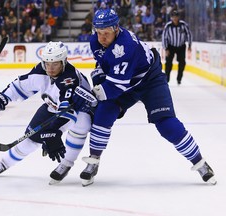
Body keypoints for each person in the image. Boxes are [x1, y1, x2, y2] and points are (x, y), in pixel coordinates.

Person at [79, 8, 216, 187]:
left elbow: (115, 87)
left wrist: (92, 94)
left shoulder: (125, 46)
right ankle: (94, 161)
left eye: (106, 33)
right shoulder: (96, 41)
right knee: (103, 114)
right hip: (127, 81)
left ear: (116, 29)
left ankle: (200, 163)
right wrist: (98, 77)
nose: (101, 38)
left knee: (166, 124)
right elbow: (104, 64)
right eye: (98, 32)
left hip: (150, 81)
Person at [0, 41, 97, 184]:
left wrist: (53, 132)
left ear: (64, 62)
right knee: (31, 138)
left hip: (80, 111)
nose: (50, 68)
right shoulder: (41, 70)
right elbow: (20, 85)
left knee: (80, 127)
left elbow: (68, 113)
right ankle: (3, 164)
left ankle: (66, 163)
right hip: (53, 106)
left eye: (55, 64)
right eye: (47, 63)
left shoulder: (69, 79)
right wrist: (0, 99)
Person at [162, 10, 192, 84]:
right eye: (173, 17)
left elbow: (189, 34)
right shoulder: (168, 26)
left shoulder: (183, 25)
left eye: (176, 16)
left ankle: (179, 78)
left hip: (181, 46)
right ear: (171, 17)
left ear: (179, 17)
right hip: (170, 46)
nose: (175, 18)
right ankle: (167, 79)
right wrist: (166, 48)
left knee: (182, 63)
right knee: (168, 63)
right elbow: (164, 37)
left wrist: (189, 45)